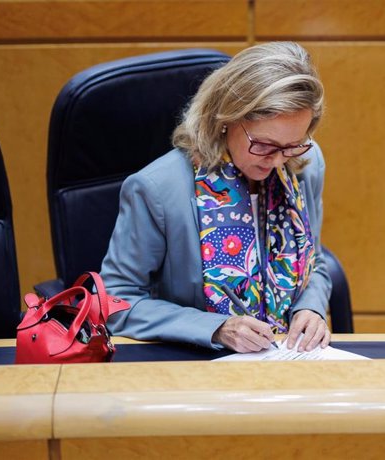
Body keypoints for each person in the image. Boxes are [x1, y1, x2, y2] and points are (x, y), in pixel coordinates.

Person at [101, 42, 331, 353]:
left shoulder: (305, 165)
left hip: (287, 360)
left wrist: (311, 307)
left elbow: (315, 264)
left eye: (292, 145)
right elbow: (116, 300)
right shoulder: (157, 189)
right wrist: (216, 328)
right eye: (264, 145)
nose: (278, 161)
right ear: (226, 119)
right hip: (196, 367)